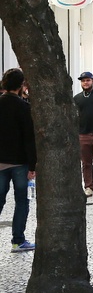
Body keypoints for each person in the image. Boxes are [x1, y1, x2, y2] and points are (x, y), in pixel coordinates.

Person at [0, 69, 36, 252]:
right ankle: (18, 240)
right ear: (21, 85)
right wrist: (33, 165)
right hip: (20, 162)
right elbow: (29, 138)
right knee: (22, 201)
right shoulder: (24, 107)